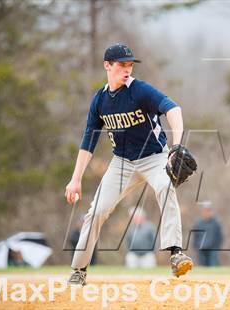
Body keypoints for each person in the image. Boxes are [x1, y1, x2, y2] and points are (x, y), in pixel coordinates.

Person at [65, 43, 193, 286]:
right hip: (122, 162)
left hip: (155, 157)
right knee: (97, 211)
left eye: (130, 65)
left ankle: (176, 253)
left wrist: (176, 146)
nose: (127, 69)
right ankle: (79, 270)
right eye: (122, 65)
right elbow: (88, 141)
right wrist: (76, 178)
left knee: (166, 187)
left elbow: (173, 109)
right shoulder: (100, 100)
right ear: (107, 66)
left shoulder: (140, 90)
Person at [192, 201, 224, 266]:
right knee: (203, 266)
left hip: (212, 249)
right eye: (205, 211)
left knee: (213, 265)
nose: (207, 212)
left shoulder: (216, 223)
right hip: (201, 249)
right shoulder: (198, 223)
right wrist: (196, 246)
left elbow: (220, 236)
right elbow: (195, 236)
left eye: (208, 211)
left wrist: (216, 246)